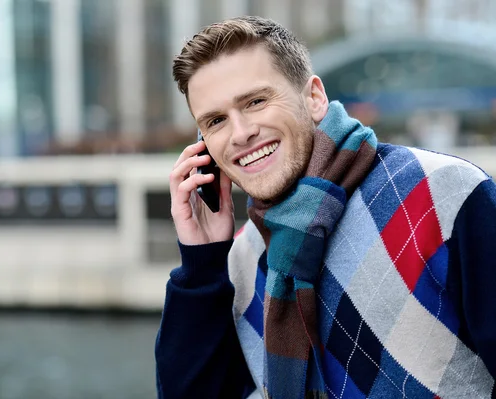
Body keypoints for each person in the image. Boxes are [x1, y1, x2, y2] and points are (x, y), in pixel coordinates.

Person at [155, 16, 496, 399]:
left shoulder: (446, 193)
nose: (240, 133)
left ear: (314, 98)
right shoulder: (240, 261)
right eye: (216, 121)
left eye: (256, 101)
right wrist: (202, 264)